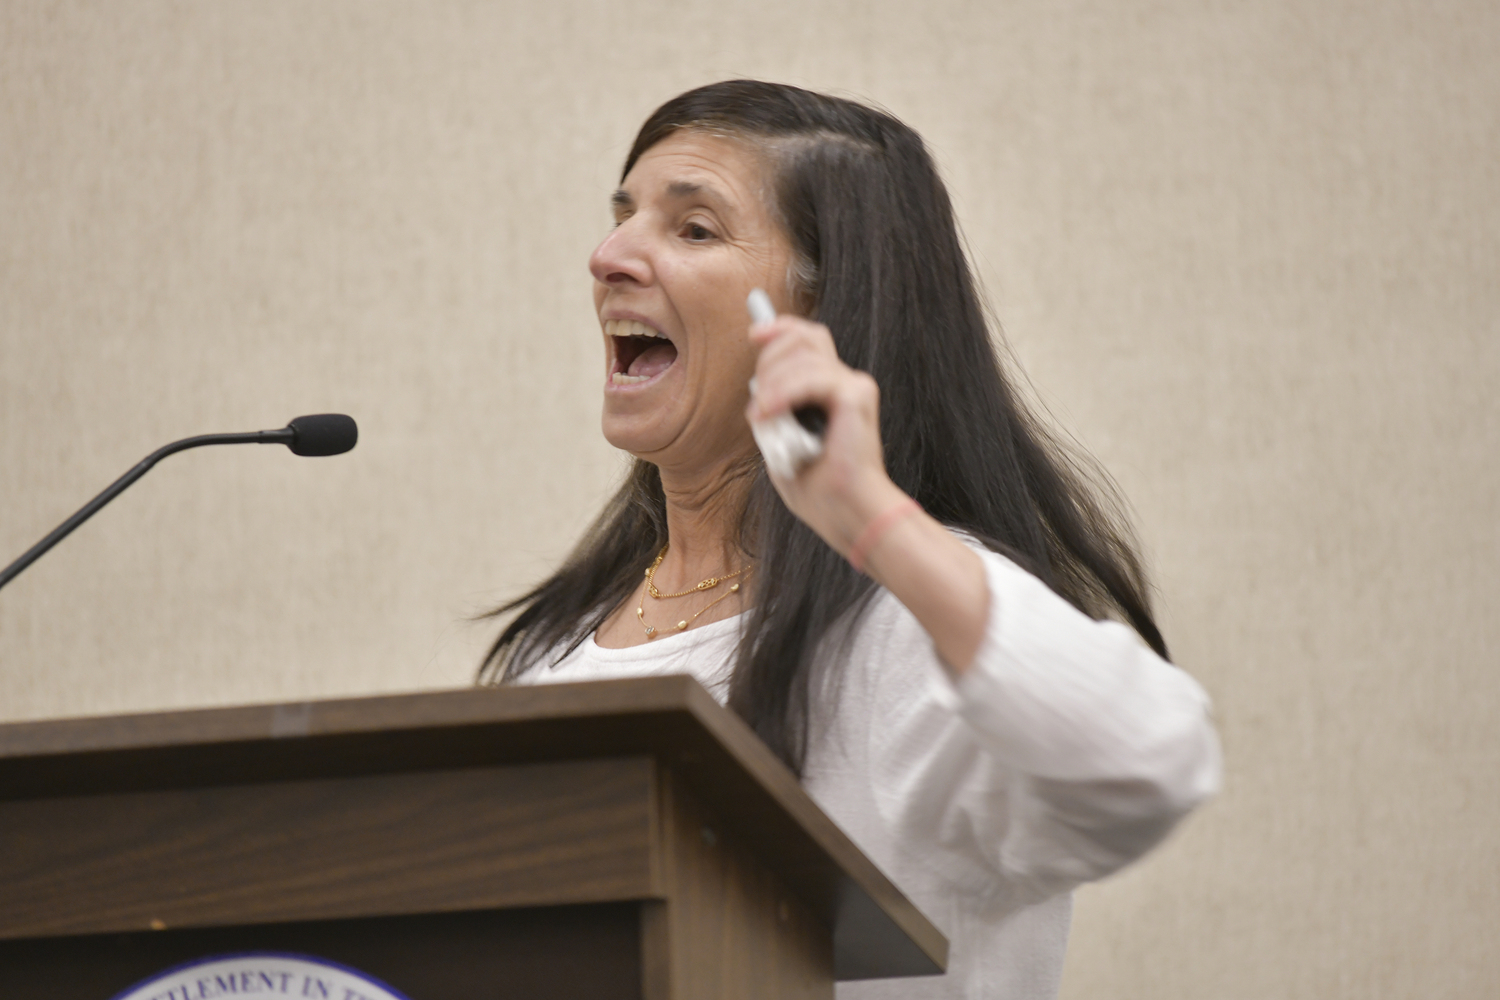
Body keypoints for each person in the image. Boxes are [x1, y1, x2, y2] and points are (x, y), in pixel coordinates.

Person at [480, 80, 1220, 999]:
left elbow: (1150, 759)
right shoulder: (554, 649)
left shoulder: (908, 630)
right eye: (622, 216)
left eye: (694, 229)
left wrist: (871, 517)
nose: (608, 256)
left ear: (821, 315)